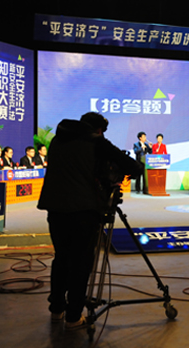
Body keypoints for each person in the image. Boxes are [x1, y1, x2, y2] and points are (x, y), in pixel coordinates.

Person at [37, 112, 141, 330]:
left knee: (61, 258)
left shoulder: (57, 140)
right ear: (98, 130)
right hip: (83, 211)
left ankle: (56, 309)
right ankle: (73, 316)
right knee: (81, 263)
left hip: (55, 209)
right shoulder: (95, 142)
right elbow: (132, 166)